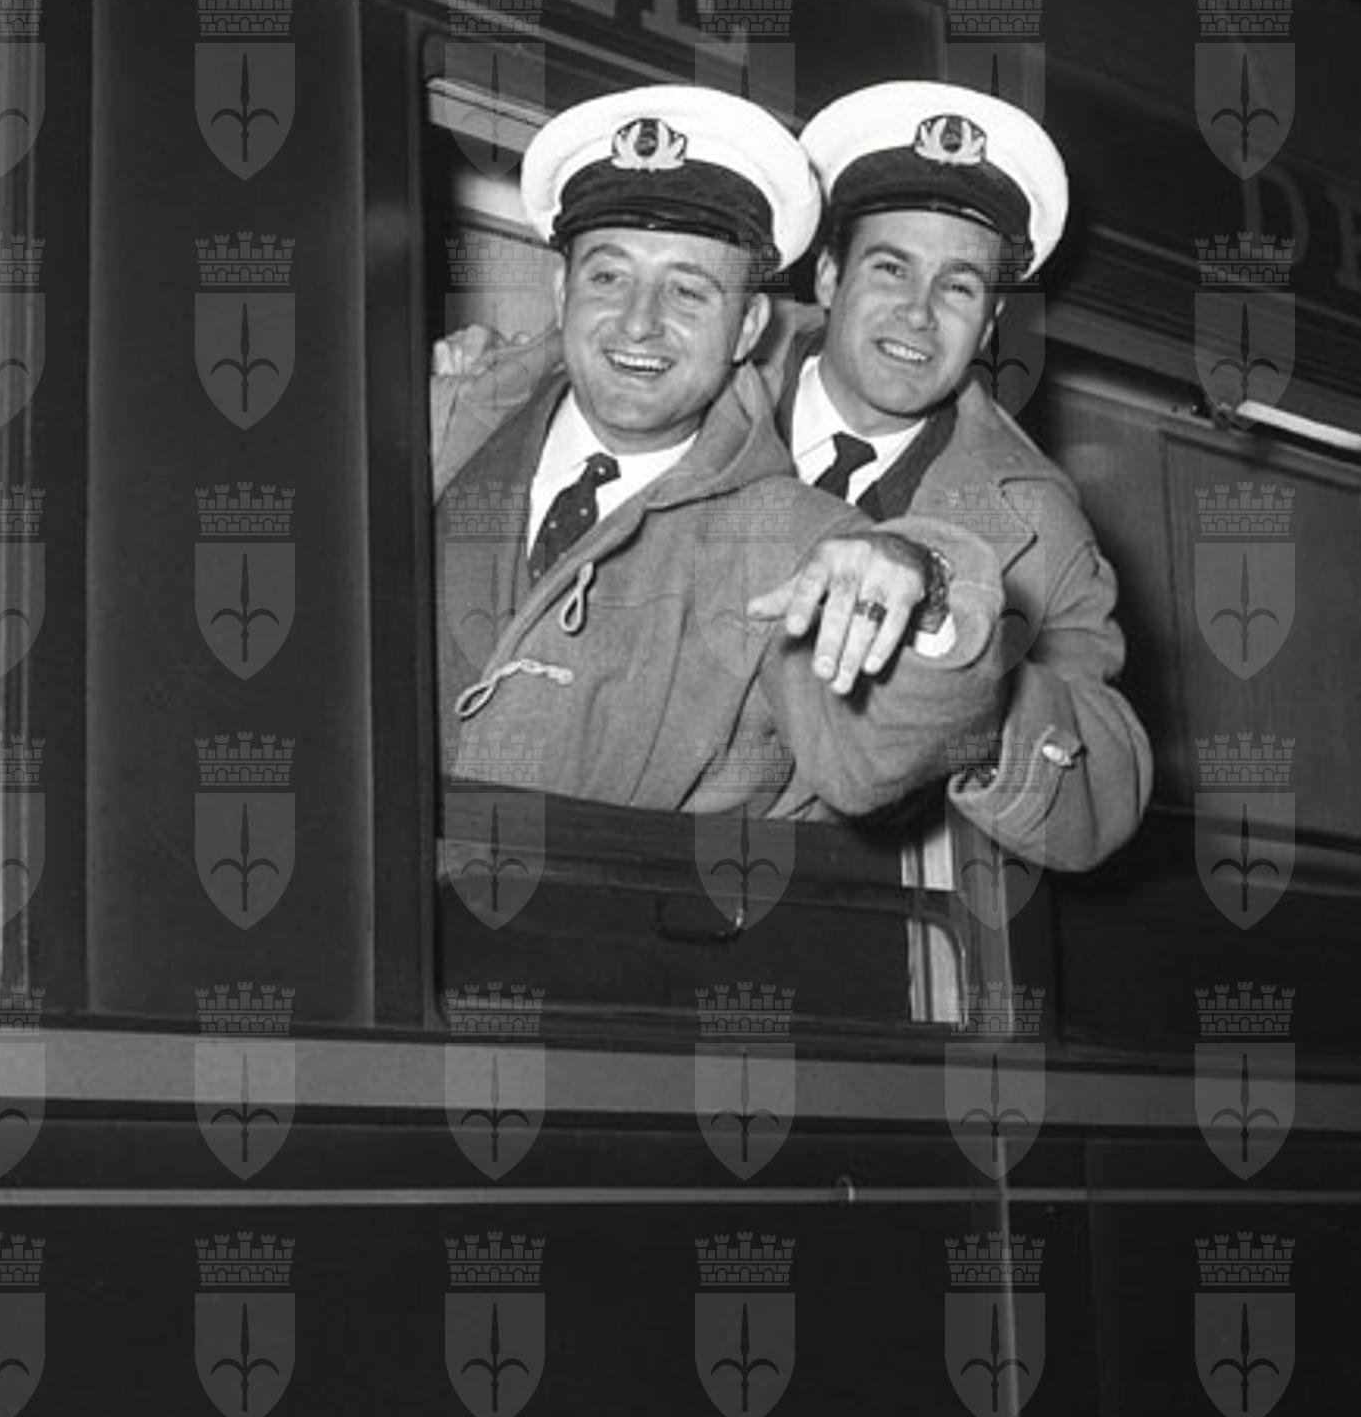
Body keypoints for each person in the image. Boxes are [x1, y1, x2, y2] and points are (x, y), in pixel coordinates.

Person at [435, 85, 1004, 818]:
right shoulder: (435, 425)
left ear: (747, 329)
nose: (638, 323)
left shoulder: (798, 543)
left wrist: (922, 587)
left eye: (688, 292)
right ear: (560, 291)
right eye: (609, 277)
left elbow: (872, 761)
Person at [783, 81, 1151, 869]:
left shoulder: (1037, 522)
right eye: (890, 268)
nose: (919, 313)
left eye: (957, 286)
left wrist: (959, 664)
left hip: (837, 901)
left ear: (987, 325)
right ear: (828, 277)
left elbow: (1105, 797)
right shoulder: (702, 388)